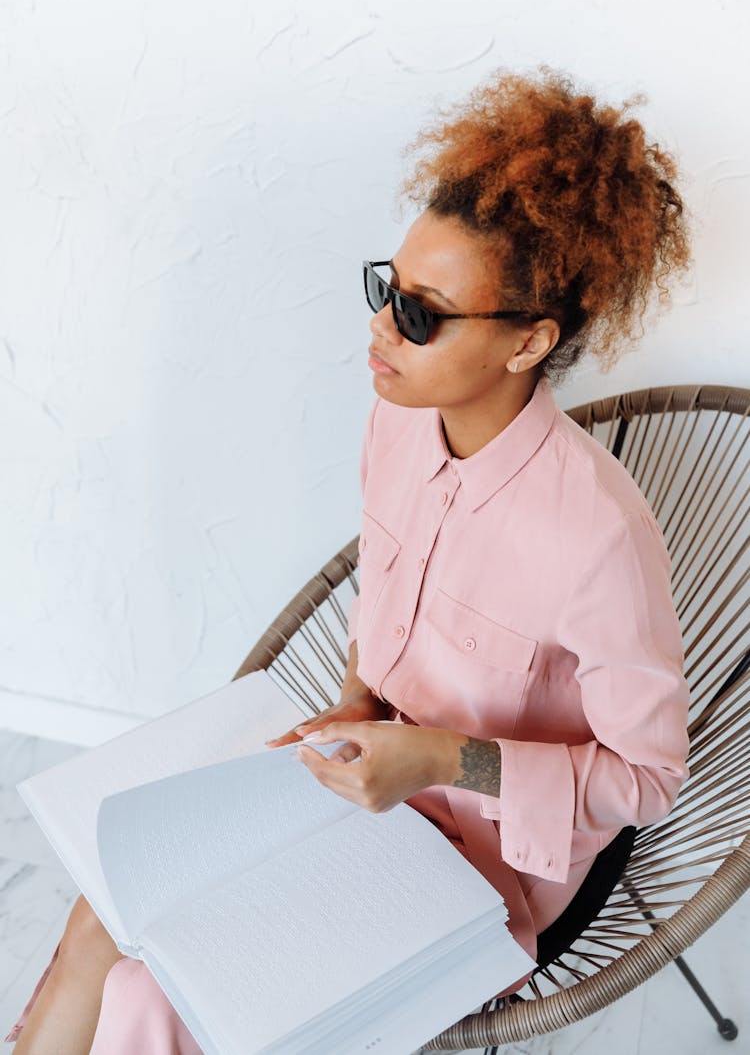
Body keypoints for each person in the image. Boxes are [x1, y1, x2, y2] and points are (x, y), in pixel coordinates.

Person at [8, 67, 691, 1053]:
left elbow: (648, 780)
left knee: (157, 1001)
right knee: (101, 911)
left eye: (422, 315)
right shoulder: (403, 424)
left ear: (528, 342)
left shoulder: (596, 539)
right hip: (353, 787)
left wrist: (438, 759)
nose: (381, 328)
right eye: (389, 290)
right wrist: (364, 702)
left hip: (480, 867)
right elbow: (387, 592)